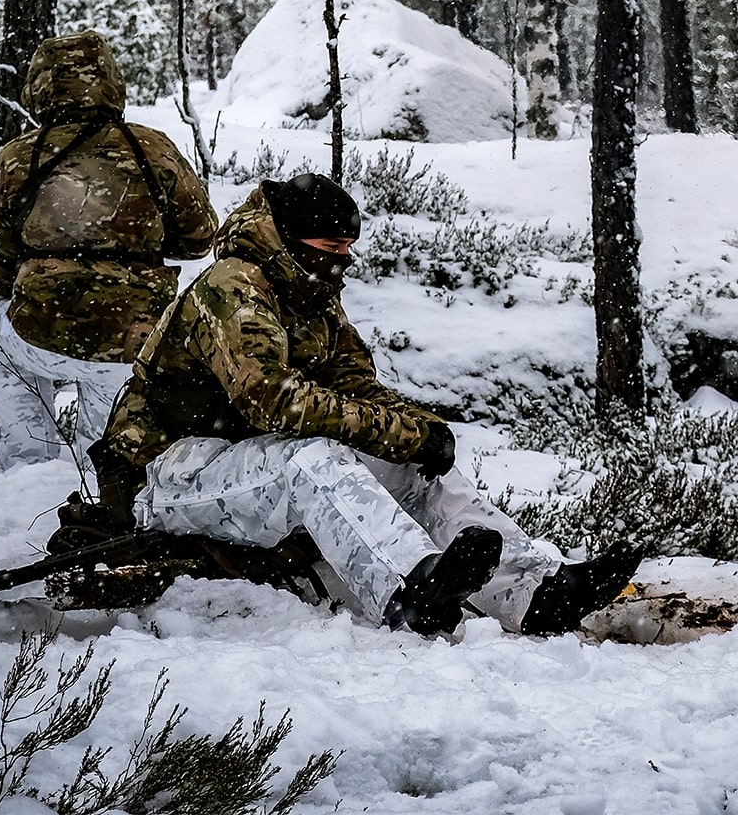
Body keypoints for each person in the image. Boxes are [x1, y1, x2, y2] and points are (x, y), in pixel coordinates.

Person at [88, 172, 641, 637]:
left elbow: (357, 387)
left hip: (245, 459)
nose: (343, 263)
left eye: (348, 251)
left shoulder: (309, 294)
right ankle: (409, 592)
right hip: (165, 472)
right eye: (332, 251)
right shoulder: (232, 287)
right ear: (291, 242)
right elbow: (271, 400)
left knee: (412, 465)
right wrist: (397, 431)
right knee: (310, 460)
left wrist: (419, 432)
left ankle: (533, 592)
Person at [0, 30, 217, 471]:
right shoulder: (153, 148)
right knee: (102, 456)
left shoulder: (18, 157)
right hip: (136, 341)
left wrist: (41, 282)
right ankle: (98, 479)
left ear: (39, 87)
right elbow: (200, 238)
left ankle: (27, 463)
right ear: (110, 82)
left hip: (40, 329)